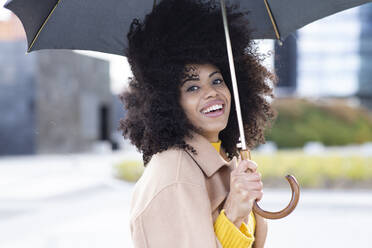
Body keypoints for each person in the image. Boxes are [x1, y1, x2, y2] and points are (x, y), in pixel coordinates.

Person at [119, 0, 277, 247]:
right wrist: (234, 213)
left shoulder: (227, 160)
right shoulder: (175, 175)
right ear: (168, 101)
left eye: (216, 81)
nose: (211, 93)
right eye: (192, 87)